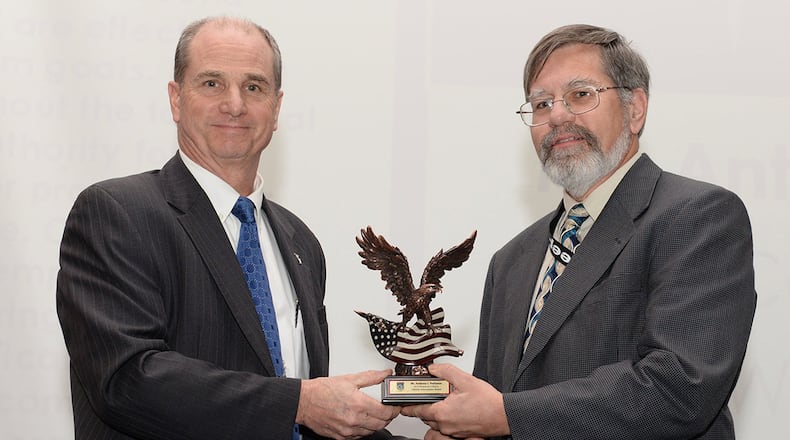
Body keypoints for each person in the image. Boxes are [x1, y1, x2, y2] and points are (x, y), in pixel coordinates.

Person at [402, 24, 756, 439]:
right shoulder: (512, 260)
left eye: (581, 95)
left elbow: (679, 388)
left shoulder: (697, 216)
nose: (557, 115)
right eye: (541, 103)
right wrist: (464, 428)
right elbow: (494, 402)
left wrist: (505, 416)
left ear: (635, 108)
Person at [56, 16, 402, 440]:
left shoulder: (301, 244)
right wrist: (301, 402)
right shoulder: (117, 214)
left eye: (253, 87)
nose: (235, 104)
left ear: (275, 109)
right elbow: (128, 378)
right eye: (212, 84)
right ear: (176, 99)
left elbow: (305, 424)